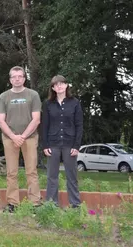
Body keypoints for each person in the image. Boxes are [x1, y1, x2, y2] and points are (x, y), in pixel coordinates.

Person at [0, 66, 41, 213]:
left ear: (24, 78)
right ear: (10, 79)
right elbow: (1, 121)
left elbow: (36, 119)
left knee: (31, 171)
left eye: (20, 76)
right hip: (10, 139)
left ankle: (35, 203)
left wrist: (23, 136)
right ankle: (13, 203)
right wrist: (14, 136)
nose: (17, 79)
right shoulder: (4, 96)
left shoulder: (33, 95)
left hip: (30, 138)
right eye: (14, 76)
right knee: (11, 172)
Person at [42, 75, 83, 208]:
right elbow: (44, 125)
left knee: (72, 176)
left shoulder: (75, 103)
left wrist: (76, 145)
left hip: (69, 144)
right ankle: (51, 205)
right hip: (52, 144)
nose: (59, 86)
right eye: (56, 84)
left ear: (66, 85)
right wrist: (45, 145)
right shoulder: (48, 104)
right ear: (53, 88)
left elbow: (79, 125)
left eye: (62, 83)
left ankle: (75, 205)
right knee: (51, 176)